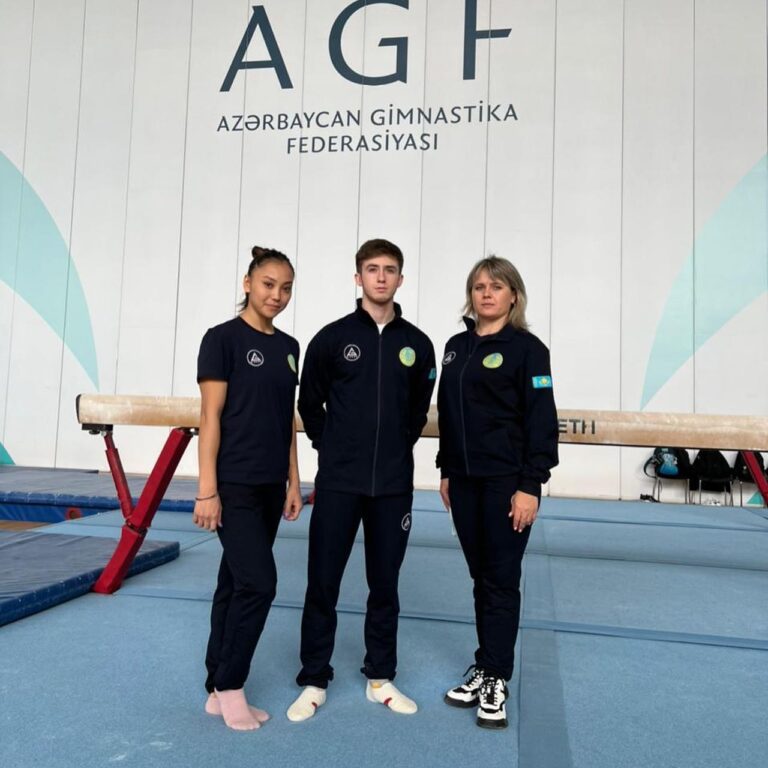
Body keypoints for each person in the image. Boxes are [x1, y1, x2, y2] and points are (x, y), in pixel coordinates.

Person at [286, 239, 436, 722]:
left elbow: (416, 413)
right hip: (339, 482)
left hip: (393, 485)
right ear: (357, 277)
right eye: (371, 269)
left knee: (385, 584)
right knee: (322, 582)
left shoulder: (418, 344)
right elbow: (309, 404)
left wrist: (393, 447)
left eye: (389, 270)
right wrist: (332, 449)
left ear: (400, 279)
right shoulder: (330, 339)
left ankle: (380, 677)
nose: (380, 278)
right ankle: (313, 677)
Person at [437, 256, 558, 730]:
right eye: (479, 286)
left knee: (501, 578)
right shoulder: (455, 347)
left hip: (508, 483)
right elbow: (448, 413)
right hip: (463, 482)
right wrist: (446, 470)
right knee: (480, 575)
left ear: (513, 296)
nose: (486, 293)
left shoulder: (528, 350)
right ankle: (485, 663)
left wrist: (531, 485)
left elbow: (541, 420)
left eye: (497, 286)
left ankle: (497, 678)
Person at [193, 246, 303, 731]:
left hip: (269, 486)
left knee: (234, 582)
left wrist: (294, 483)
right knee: (260, 583)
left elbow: (286, 423)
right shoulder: (221, 340)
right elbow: (210, 418)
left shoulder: (289, 347)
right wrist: (206, 490)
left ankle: (215, 684)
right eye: (268, 285)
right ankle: (233, 683)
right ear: (247, 283)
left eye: (285, 288)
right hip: (232, 483)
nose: (276, 295)